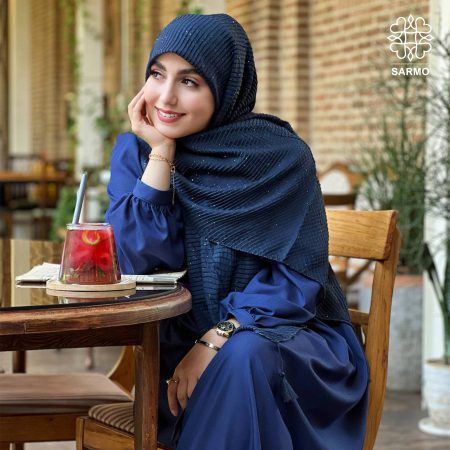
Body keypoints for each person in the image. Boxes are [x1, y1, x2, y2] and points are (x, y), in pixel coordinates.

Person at [106, 13, 368, 450]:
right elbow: (133, 266)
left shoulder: (280, 158)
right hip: (178, 355)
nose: (166, 97)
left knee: (243, 356)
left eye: (189, 81)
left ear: (226, 88)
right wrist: (162, 155)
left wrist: (218, 337)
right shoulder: (137, 153)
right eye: (157, 74)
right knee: (231, 363)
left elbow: (296, 281)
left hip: (284, 340)